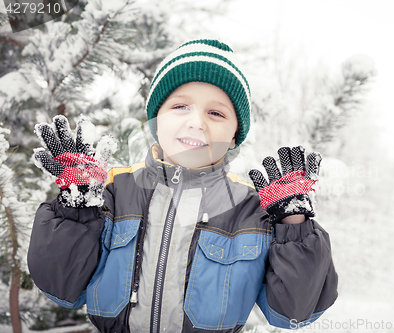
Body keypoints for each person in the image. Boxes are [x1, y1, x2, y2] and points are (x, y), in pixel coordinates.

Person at [28, 39, 338, 333]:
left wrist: (294, 225)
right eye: (180, 107)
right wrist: (75, 210)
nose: (196, 122)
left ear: (234, 136)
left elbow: (294, 312)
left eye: (216, 113)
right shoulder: (113, 191)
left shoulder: (251, 211)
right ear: (156, 119)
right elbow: (62, 288)